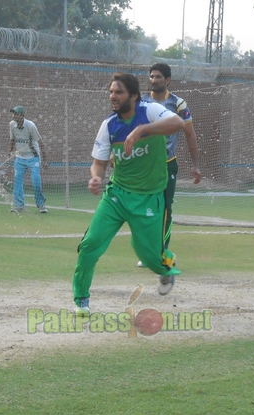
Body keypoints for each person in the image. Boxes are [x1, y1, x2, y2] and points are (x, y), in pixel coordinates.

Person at [72, 72, 185, 315]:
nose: (113, 96)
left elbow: (178, 124)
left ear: (133, 96)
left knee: (152, 257)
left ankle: (168, 264)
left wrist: (143, 130)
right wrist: (95, 177)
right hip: (117, 196)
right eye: (111, 92)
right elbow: (99, 162)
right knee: (90, 244)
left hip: (148, 196)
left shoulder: (150, 111)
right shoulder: (109, 125)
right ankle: (82, 300)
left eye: (118, 92)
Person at [135, 63, 202, 267]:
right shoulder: (142, 102)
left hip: (167, 164)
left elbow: (190, 134)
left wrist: (195, 165)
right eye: (151, 77)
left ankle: (162, 254)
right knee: (145, 209)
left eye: (158, 77)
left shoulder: (178, 104)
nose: (153, 80)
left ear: (168, 80)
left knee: (165, 209)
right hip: (145, 166)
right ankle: (147, 253)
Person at [8, 106, 48, 213]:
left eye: (16, 114)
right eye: (13, 114)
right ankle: (18, 205)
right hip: (20, 158)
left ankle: (41, 205)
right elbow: (12, 140)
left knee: (36, 181)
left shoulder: (30, 126)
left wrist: (44, 160)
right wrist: (9, 153)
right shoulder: (12, 125)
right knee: (17, 181)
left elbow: (41, 143)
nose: (13, 116)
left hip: (33, 157)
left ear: (21, 115)